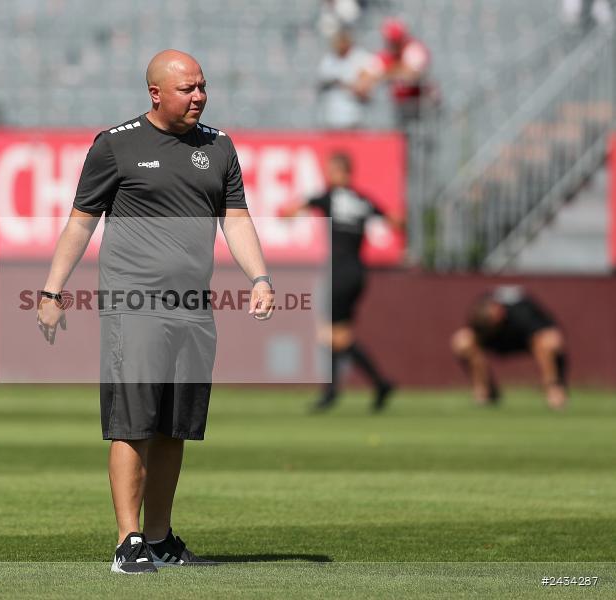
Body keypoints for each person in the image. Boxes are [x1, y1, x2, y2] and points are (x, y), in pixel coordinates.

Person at [36, 49, 275, 574]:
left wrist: (259, 277)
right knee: (133, 423)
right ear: (156, 94)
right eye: (188, 89)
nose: (199, 97)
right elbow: (81, 223)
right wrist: (52, 292)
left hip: (194, 308)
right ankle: (129, 541)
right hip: (133, 305)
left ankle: (162, 538)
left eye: (203, 87)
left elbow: (236, 219)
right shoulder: (115, 145)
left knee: (175, 426)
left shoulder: (219, 147)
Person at [280, 152, 403, 412]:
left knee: (334, 335)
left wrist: (286, 213)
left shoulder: (330, 196)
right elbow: (395, 221)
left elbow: (291, 210)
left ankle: (378, 383)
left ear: (340, 172)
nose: (328, 175)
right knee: (336, 332)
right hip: (358, 273)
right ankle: (333, 392)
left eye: (331, 170)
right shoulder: (362, 200)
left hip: (339, 273)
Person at [450, 286, 569, 410]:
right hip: (496, 342)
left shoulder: (523, 314)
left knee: (549, 341)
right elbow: (470, 335)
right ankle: (485, 390)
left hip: (525, 341)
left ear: (500, 312)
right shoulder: (480, 310)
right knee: (462, 342)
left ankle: (554, 389)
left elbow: (550, 335)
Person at [374, 18, 435, 129]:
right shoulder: (386, 55)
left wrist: (389, 72)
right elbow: (370, 77)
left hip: (420, 107)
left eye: (395, 40)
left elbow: (412, 74)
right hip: (398, 107)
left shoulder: (414, 49)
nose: (392, 44)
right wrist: (397, 70)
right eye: (390, 40)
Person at [317, 28, 377, 129]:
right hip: (332, 117)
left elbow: (365, 87)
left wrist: (344, 85)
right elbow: (322, 82)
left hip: (355, 117)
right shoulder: (329, 60)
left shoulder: (360, 58)